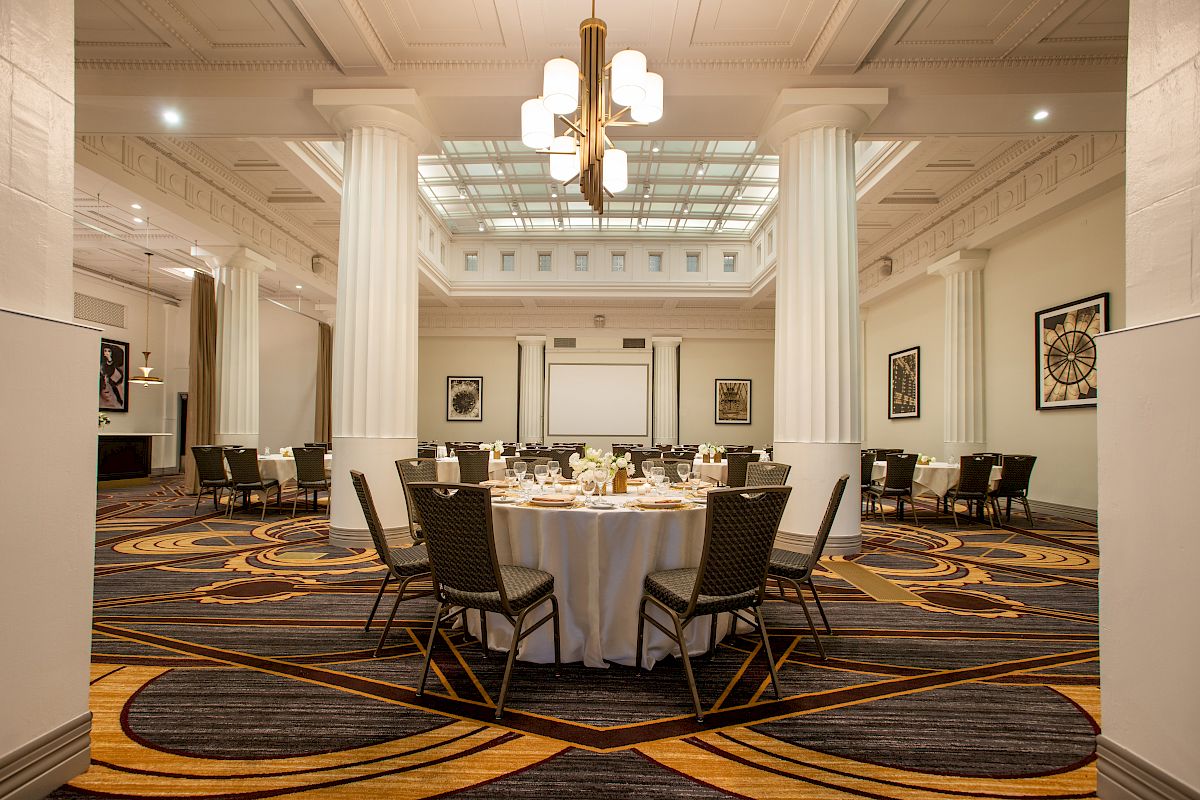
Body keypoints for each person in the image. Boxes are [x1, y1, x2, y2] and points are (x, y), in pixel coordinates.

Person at [100, 342, 125, 410]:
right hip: (106, 380)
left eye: (109, 351)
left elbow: (114, 372)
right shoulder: (102, 364)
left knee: (114, 388)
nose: (107, 352)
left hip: (111, 379)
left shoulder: (112, 363)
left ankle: (119, 400)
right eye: (105, 351)